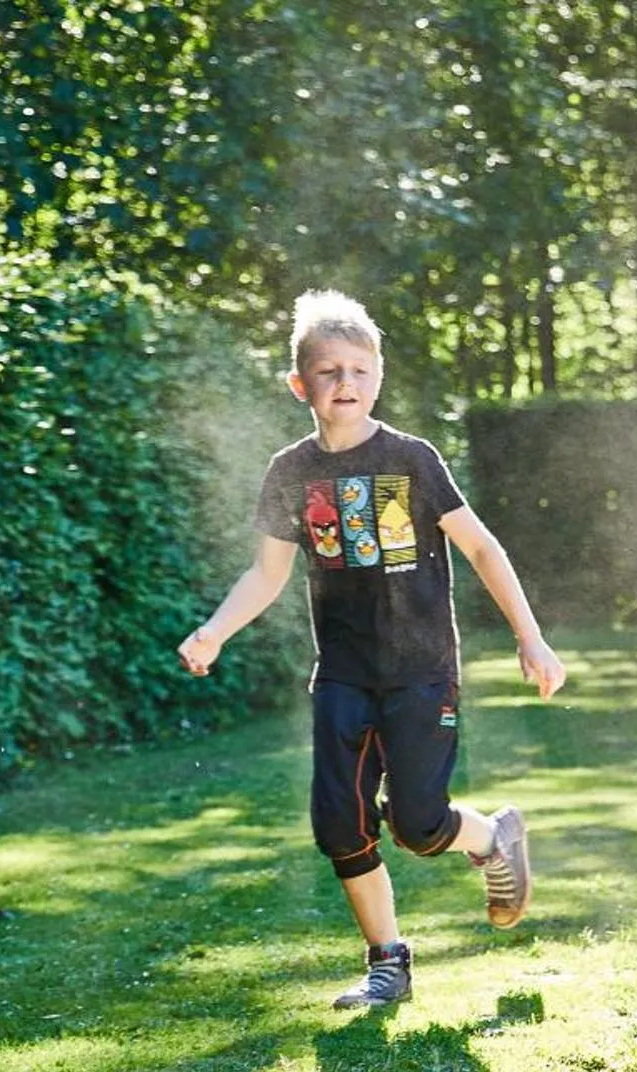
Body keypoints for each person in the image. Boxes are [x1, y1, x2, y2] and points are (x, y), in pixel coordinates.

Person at [179, 290, 566, 1008]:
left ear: (378, 377)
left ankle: (490, 836)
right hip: (345, 675)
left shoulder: (412, 460)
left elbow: (480, 547)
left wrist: (530, 637)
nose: (345, 383)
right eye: (328, 372)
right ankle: (388, 960)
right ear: (302, 385)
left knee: (420, 825)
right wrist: (214, 631)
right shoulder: (289, 473)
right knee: (339, 822)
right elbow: (268, 573)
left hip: (421, 671)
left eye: (359, 369)